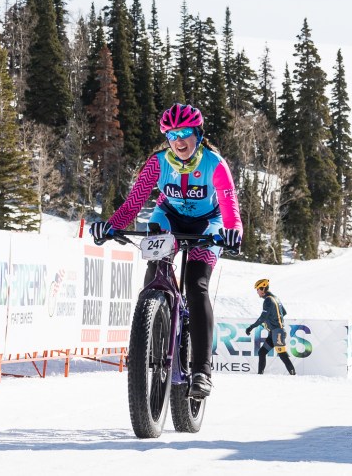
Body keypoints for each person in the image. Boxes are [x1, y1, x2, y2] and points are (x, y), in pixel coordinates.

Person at [89, 103, 243, 400]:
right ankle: (149, 333)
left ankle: (201, 371)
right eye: (172, 135)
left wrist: (233, 231)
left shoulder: (214, 163)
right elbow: (133, 204)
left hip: (208, 223)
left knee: (196, 285)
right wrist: (110, 226)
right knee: (155, 269)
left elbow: (229, 207)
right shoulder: (157, 163)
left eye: (184, 133)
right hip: (168, 217)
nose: (178, 140)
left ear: (198, 134)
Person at [247, 279, 296, 375]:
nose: (257, 292)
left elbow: (262, 317)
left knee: (282, 355)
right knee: (262, 352)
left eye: (257, 289)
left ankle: (294, 375)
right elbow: (283, 312)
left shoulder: (268, 300)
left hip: (277, 332)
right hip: (274, 332)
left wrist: (251, 327)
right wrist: (273, 322)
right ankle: (260, 375)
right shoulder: (276, 298)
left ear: (263, 289)